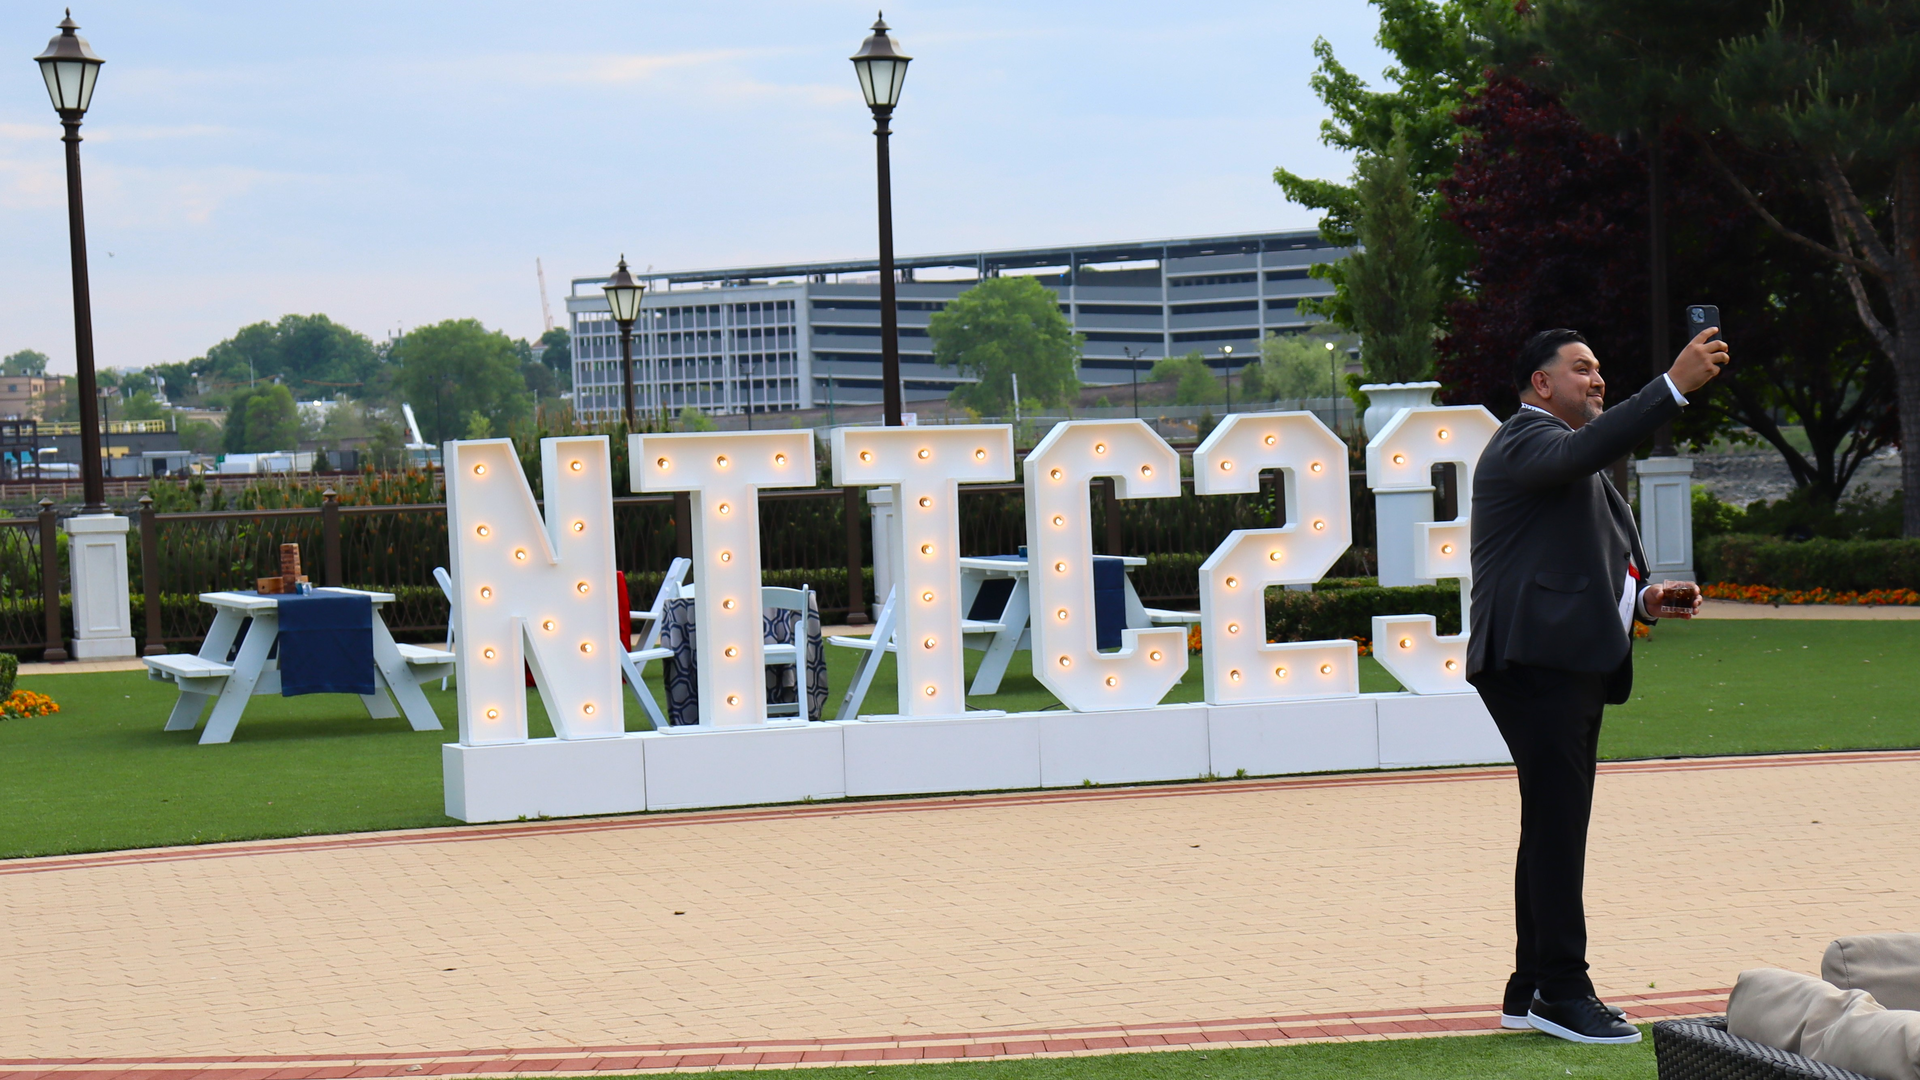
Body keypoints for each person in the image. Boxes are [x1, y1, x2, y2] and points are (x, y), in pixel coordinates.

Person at [1467, 326, 1729, 1044]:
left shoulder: (1573, 463)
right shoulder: (1525, 440)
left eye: (1601, 368)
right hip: (1533, 662)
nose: (1598, 379)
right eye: (1581, 369)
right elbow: (1592, 445)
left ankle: (1529, 989)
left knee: (1550, 825)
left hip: (1566, 662)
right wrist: (1672, 385)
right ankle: (1564, 989)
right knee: (1558, 828)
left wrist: (1644, 602)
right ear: (1540, 385)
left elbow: (1593, 563)